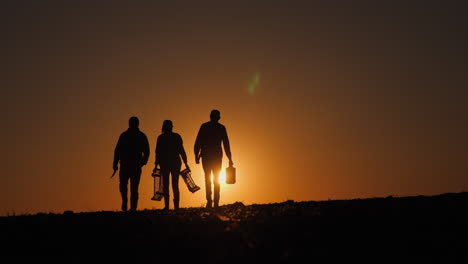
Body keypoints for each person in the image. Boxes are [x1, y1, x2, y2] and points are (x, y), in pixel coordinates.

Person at [194, 109, 233, 208]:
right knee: (215, 179)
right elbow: (226, 144)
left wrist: (196, 154)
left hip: (207, 156)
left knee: (208, 178)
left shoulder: (204, 126)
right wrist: (229, 158)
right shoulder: (221, 128)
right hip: (216, 157)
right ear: (218, 118)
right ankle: (215, 202)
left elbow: (198, 141)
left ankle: (210, 202)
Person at [113, 116, 150, 212]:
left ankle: (132, 207)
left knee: (131, 186)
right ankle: (126, 202)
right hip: (128, 164)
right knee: (127, 186)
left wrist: (144, 161)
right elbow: (117, 150)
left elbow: (146, 150)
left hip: (132, 165)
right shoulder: (126, 135)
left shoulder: (129, 135)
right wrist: (115, 163)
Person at [153, 120, 190, 210]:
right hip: (175, 163)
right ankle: (176, 206)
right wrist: (186, 163)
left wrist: (156, 165)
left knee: (166, 184)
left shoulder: (161, 138)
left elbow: (158, 152)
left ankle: (167, 206)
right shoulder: (176, 137)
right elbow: (182, 151)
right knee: (175, 184)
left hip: (165, 163)